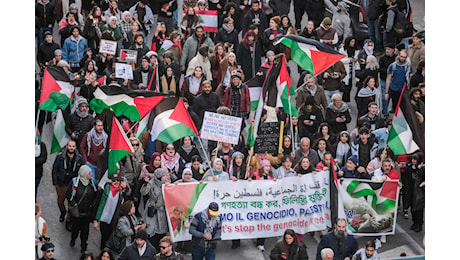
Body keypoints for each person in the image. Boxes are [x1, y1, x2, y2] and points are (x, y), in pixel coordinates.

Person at [94, 173, 132, 250]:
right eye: (114, 180)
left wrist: (126, 188)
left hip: (114, 219)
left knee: (111, 236)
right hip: (104, 218)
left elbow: (128, 197)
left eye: (118, 180)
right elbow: (98, 204)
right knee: (104, 236)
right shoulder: (105, 190)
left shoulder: (121, 192)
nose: (116, 182)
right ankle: (103, 251)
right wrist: (96, 219)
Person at [67, 165, 99, 253]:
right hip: (76, 213)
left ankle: (84, 246)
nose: (91, 174)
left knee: (85, 232)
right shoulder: (75, 183)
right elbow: (68, 194)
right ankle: (73, 239)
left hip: (87, 213)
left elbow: (95, 195)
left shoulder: (92, 184)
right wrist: (74, 204)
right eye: (89, 173)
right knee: (75, 229)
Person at [52, 139, 84, 223]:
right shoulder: (60, 156)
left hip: (72, 184)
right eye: (70, 146)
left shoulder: (79, 158)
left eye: (73, 146)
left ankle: (68, 219)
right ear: (67, 146)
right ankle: (63, 212)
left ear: (75, 147)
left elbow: (81, 171)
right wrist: (55, 182)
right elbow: (55, 169)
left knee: (71, 203)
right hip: (61, 183)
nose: (71, 148)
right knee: (60, 201)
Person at [139, 168, 170, 249]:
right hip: (152, 209)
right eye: (163, 176)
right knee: (151, 229)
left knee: (161, 230)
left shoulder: (166, 184)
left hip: (162, 211)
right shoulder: (151, 183)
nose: (165, 177)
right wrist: (145, 183)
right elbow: (144, 192)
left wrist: (168, 186)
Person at [407, 153, 425, 233]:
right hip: (411, 190)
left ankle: (419, 224)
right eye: (412, 159)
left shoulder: (423, 169)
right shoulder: (410, 167)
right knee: (412, 208)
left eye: (415, 159)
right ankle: (414, 222)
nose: (413, 161)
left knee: (419, 209)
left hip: (419, 191)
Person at [339, 36, 360, 102]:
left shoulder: (356, 50)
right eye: (351, 41)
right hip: (345, 71)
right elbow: (340, 60)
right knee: (344, 88)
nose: (353, 43)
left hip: (352, 71)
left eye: (354, 41)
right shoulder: (342, 50)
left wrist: (356, 60)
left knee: (349, 87)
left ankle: (346, 102)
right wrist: (349, 60)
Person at [378, 43, 395, 117]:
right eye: (386, 49)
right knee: (385, 97)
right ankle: (385, 112)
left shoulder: (395, 58)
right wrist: (388, 71)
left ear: (393, 50)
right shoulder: (382, 59)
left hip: (392, 81)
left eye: (389, 49)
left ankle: (389, 108)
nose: (387, 51)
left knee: (391, 96)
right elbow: (380, 69)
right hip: (384, 80)